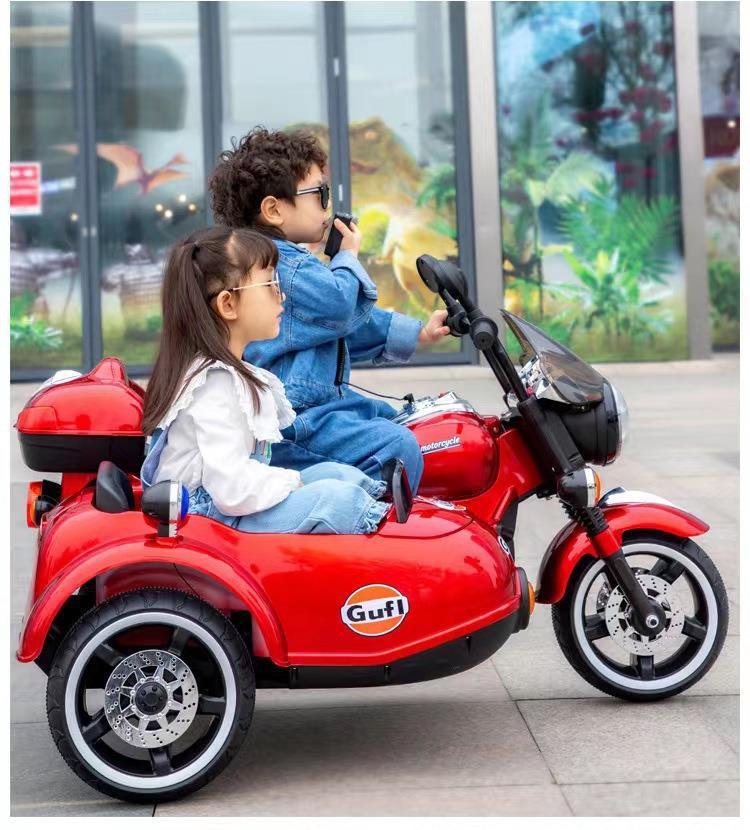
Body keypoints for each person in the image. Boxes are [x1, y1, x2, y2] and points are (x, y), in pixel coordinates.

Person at [208, 127, 451, 493]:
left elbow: (339, 326)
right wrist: (347, 256)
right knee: (397, 446)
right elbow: (339, 307)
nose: (328, 206)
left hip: (319, 410)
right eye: (320, 194)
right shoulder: (282, 266)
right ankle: (365, 519)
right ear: (273, 209)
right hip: (297, 420)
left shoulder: (284, 263)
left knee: (403, 420)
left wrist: (417, 333)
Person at [140, 225, 389, 535]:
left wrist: (294, 481)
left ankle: (384, 512)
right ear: (228, 304)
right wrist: (292, 481)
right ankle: (388, 536)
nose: (281, 295)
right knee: (335, 500)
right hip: (209, 520)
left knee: (337, 474)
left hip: (227, 505)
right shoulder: (215, 384)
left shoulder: (227, 372)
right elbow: (231, 489)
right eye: (270, 283)